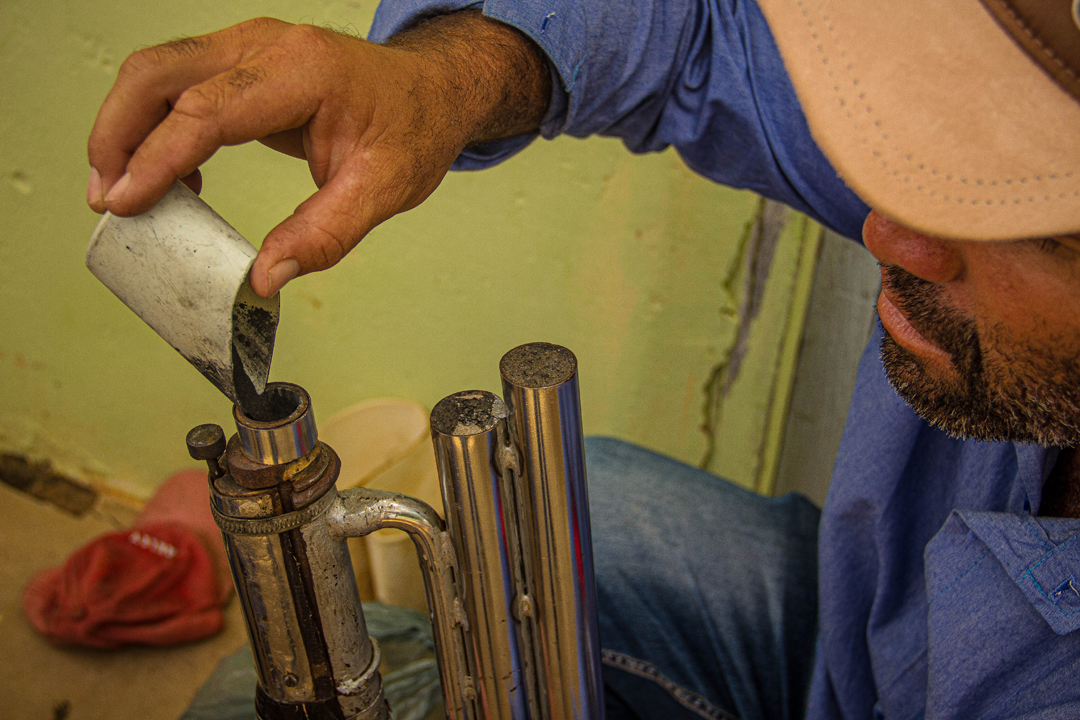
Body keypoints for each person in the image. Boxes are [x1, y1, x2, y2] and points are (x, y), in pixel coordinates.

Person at [86, 1, 1080, 718]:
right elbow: (696, 36)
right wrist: (441, 77)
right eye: (950, 165)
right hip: (856, 652)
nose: (886, 233)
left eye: (1037, 231)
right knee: (569, 500)